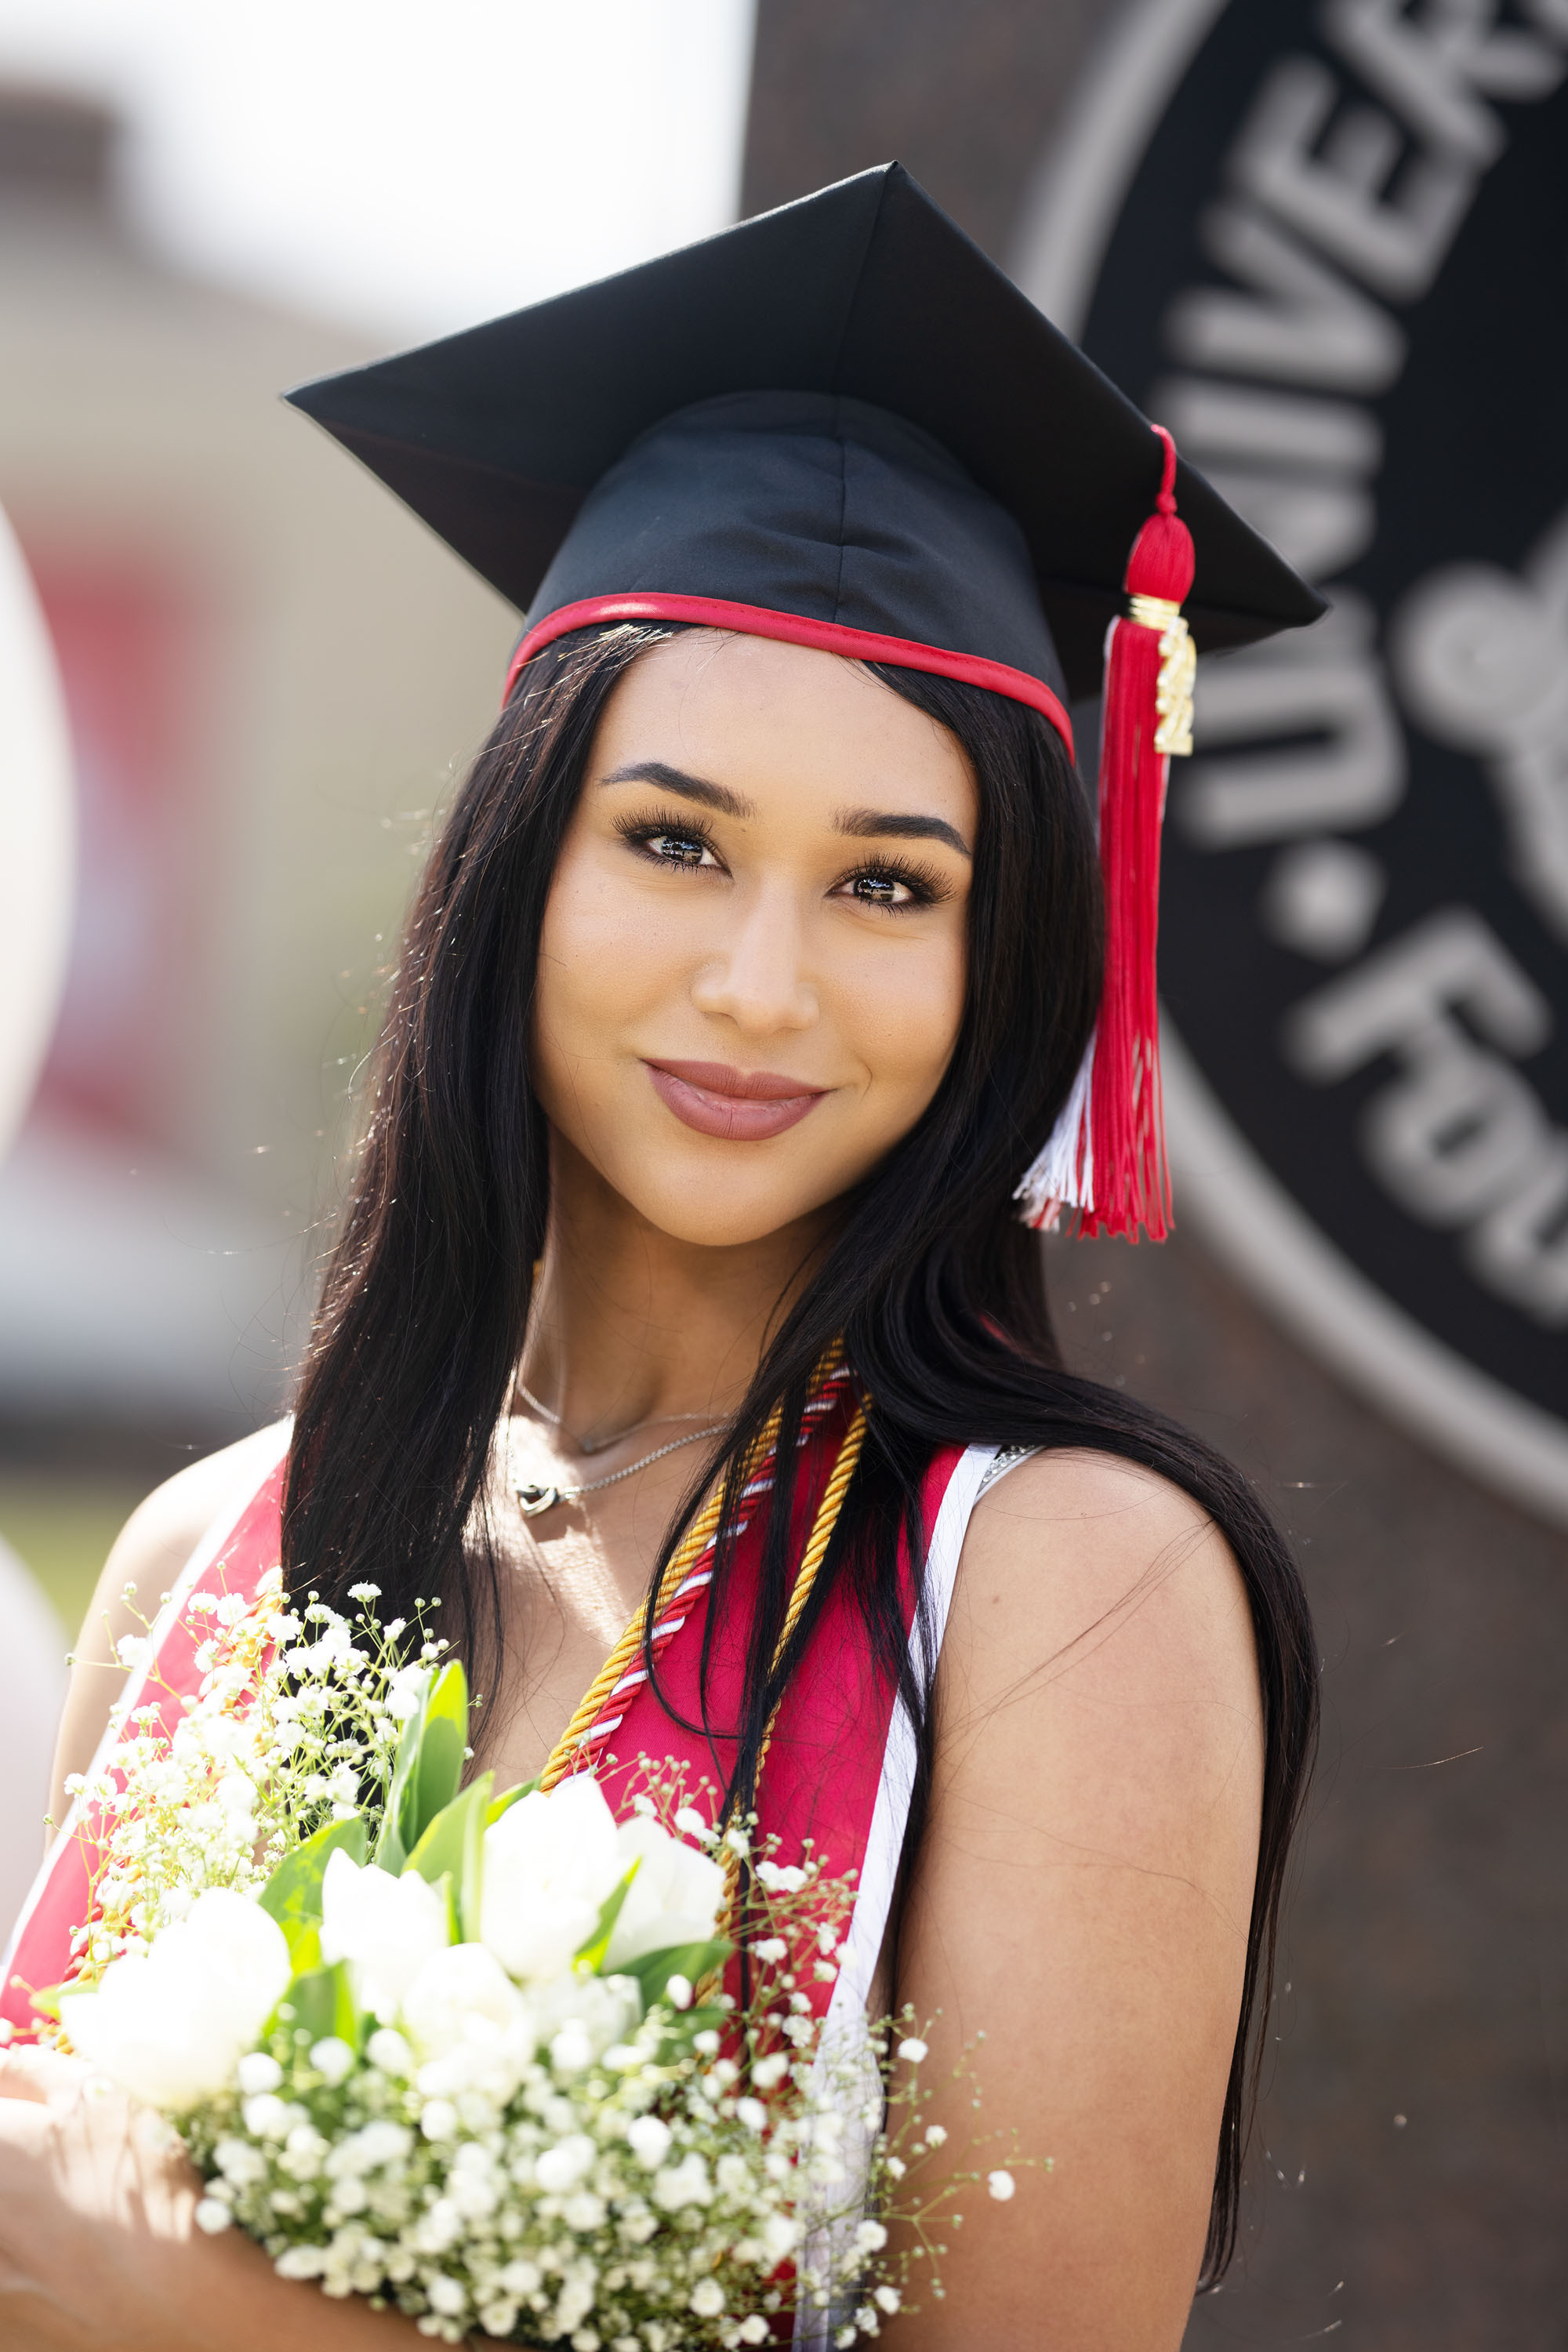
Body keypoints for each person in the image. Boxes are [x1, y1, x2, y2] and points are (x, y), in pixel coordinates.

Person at [0, 166, 1320, 2350]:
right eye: (675, 842)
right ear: (517, 865)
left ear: (1008, 966)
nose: (759, 985)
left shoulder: (1061, 1587)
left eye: (890, 888)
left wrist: (182, 2304)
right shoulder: (208, 1548)